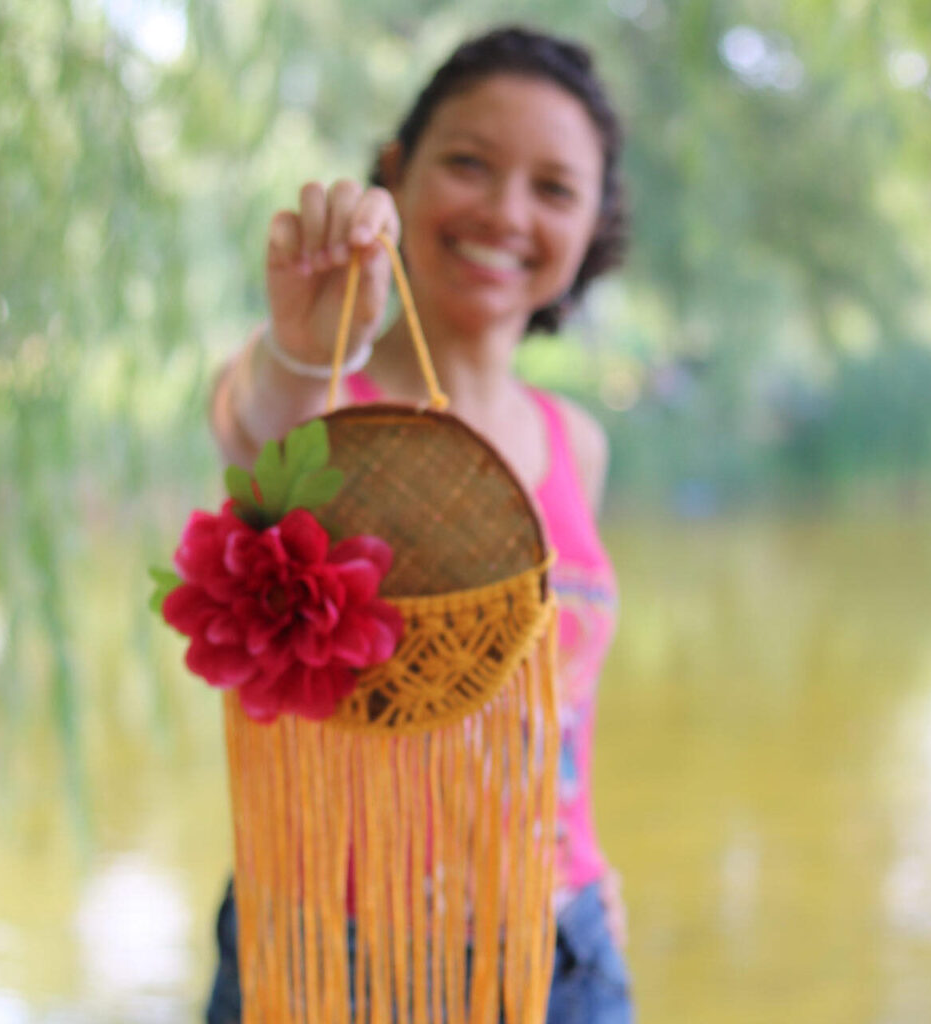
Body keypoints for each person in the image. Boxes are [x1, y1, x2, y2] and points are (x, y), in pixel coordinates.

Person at [206, 24, 632, 1024]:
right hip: (333, 963)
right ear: (395, 174)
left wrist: (591, 868)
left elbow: (558, 707)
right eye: (468, 164)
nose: (505, 212)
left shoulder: (579, 440)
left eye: (554, 188)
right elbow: (253, 426)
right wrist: (302, 352)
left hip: (559, 953)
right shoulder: (315, 398)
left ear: (593, 220)